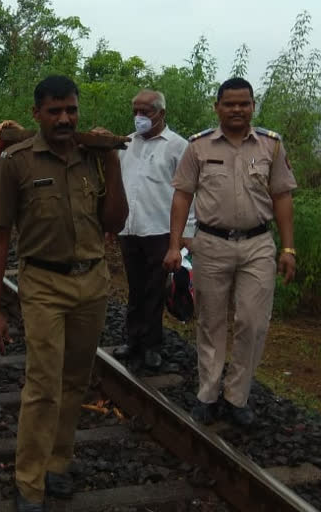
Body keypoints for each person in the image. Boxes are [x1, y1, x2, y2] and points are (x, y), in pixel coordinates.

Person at [0, 75, 128, 511]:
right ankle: (28, 483)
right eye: (55, 111)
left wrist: (113, 162)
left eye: (71, 110)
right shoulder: (16, 161)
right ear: (37, 114)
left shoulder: (93, 158)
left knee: (74, 381)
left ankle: (56, 465)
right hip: (43, 284)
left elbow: (115, 223)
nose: (65, 119)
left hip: (92, 282)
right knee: (44, 384)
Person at [163, 77, 297, 426]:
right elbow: (182, 195)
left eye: (244, 103)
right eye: (230, 104)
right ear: (217, 106)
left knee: (252, 322)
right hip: (210, 243)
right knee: (210, 321)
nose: (237, 110)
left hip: (257, 244)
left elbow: (282, 196)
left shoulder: (272, 146)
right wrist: (175, 243)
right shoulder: (198, 147)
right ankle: (207, 394)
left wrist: (288, 248)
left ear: (253, 106)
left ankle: (237, 397)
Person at [113, 89, 195, 371]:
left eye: (145, 111)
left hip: (161, 230)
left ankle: (151, 346)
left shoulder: (178, 146)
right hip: (130, 227)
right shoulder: (126, 143)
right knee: (135, 287)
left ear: (161, 113)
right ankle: (133, 340)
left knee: (155, 290)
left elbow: (189, 192)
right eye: (135, 111)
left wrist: (186, 234)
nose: (139, 117)